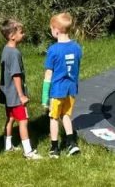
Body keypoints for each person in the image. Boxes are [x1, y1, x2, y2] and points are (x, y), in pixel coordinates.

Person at [0, 19, 42, 160]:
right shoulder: (14, 53)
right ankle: (28, 152)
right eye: (21, 32)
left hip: (7, 94)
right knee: (23, 121)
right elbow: (16, 76)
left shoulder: (5, 49)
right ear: (12, 36)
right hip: (15, 95)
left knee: (10, 118)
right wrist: (21, 95)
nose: (23, 34)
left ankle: (7, 145)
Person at [42, 12, 83, 158]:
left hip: (57, 91)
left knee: (54, 118)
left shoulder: (53, 50)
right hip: (71, 89)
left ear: (56, 30)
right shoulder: (77, 47)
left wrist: (44, 97)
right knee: (66, 115)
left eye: (51, 29)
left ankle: (54, 147)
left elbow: (48, 75)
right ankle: (72, 143)